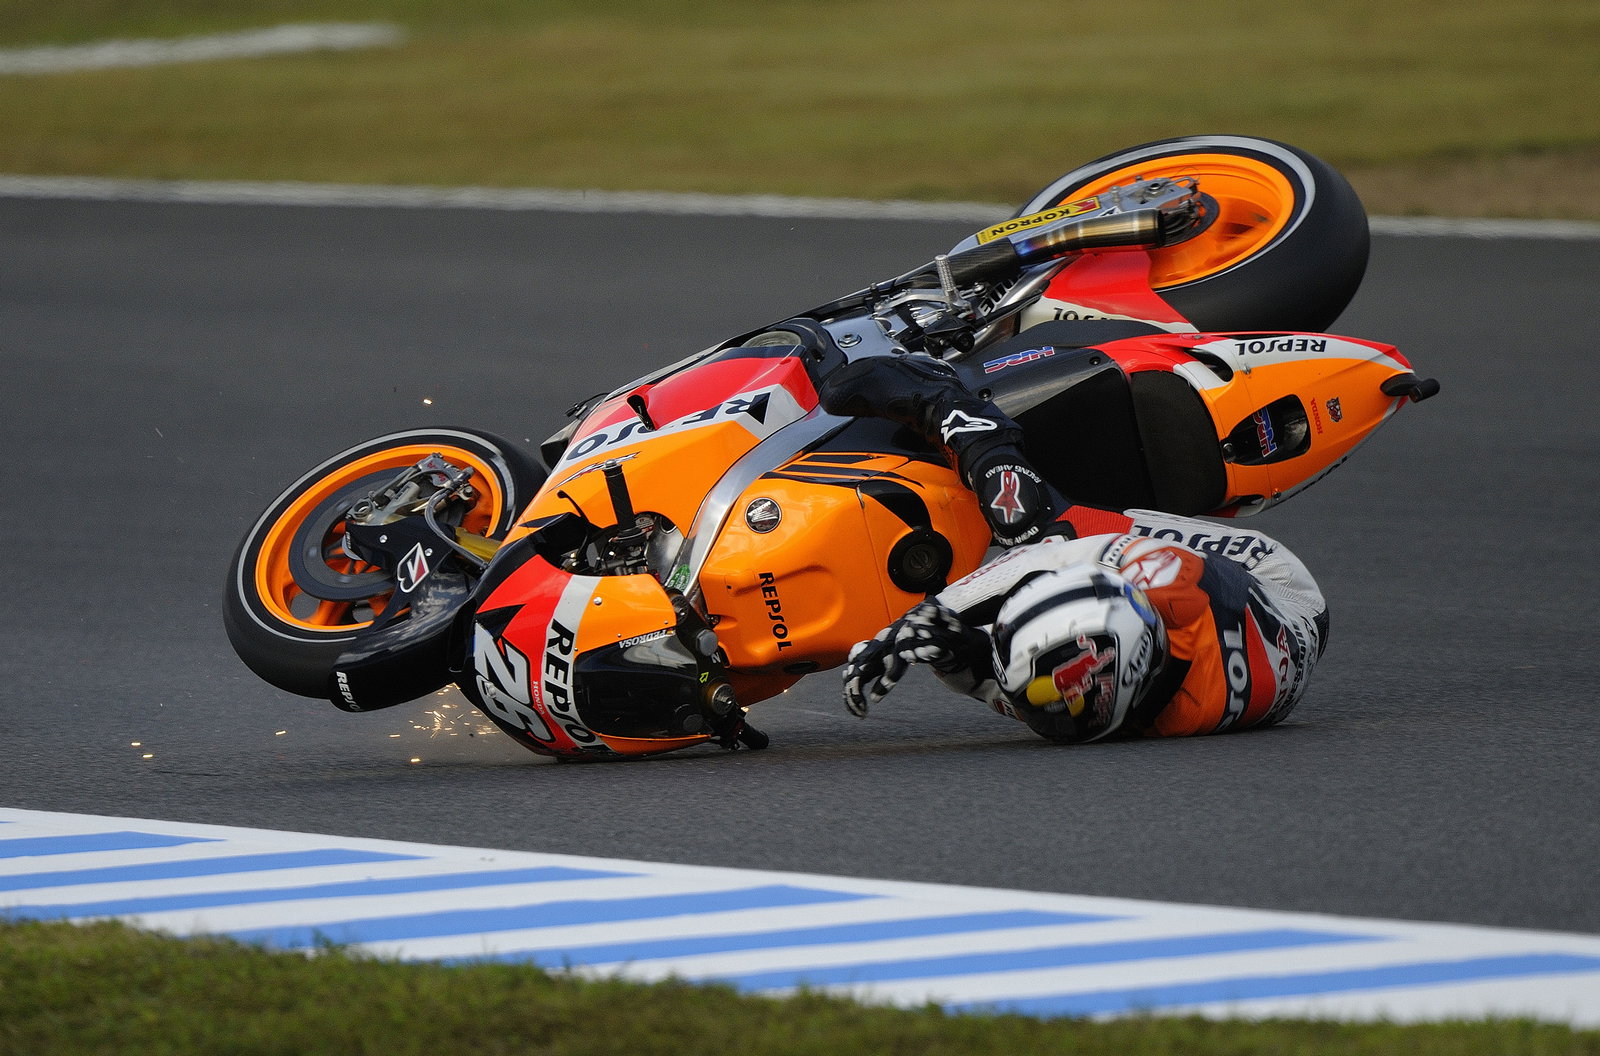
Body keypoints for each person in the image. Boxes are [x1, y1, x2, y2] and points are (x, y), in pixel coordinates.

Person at [818, 353, 1328, 743]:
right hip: (1273, 583)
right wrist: (928, 615)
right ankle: (947, 402)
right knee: (1040, 528)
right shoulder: (1175, 587)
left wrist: (963, 659)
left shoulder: (1136, 711)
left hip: (1229, 647)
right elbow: (1046, 558)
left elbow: (1043, 700)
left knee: (980, 640)